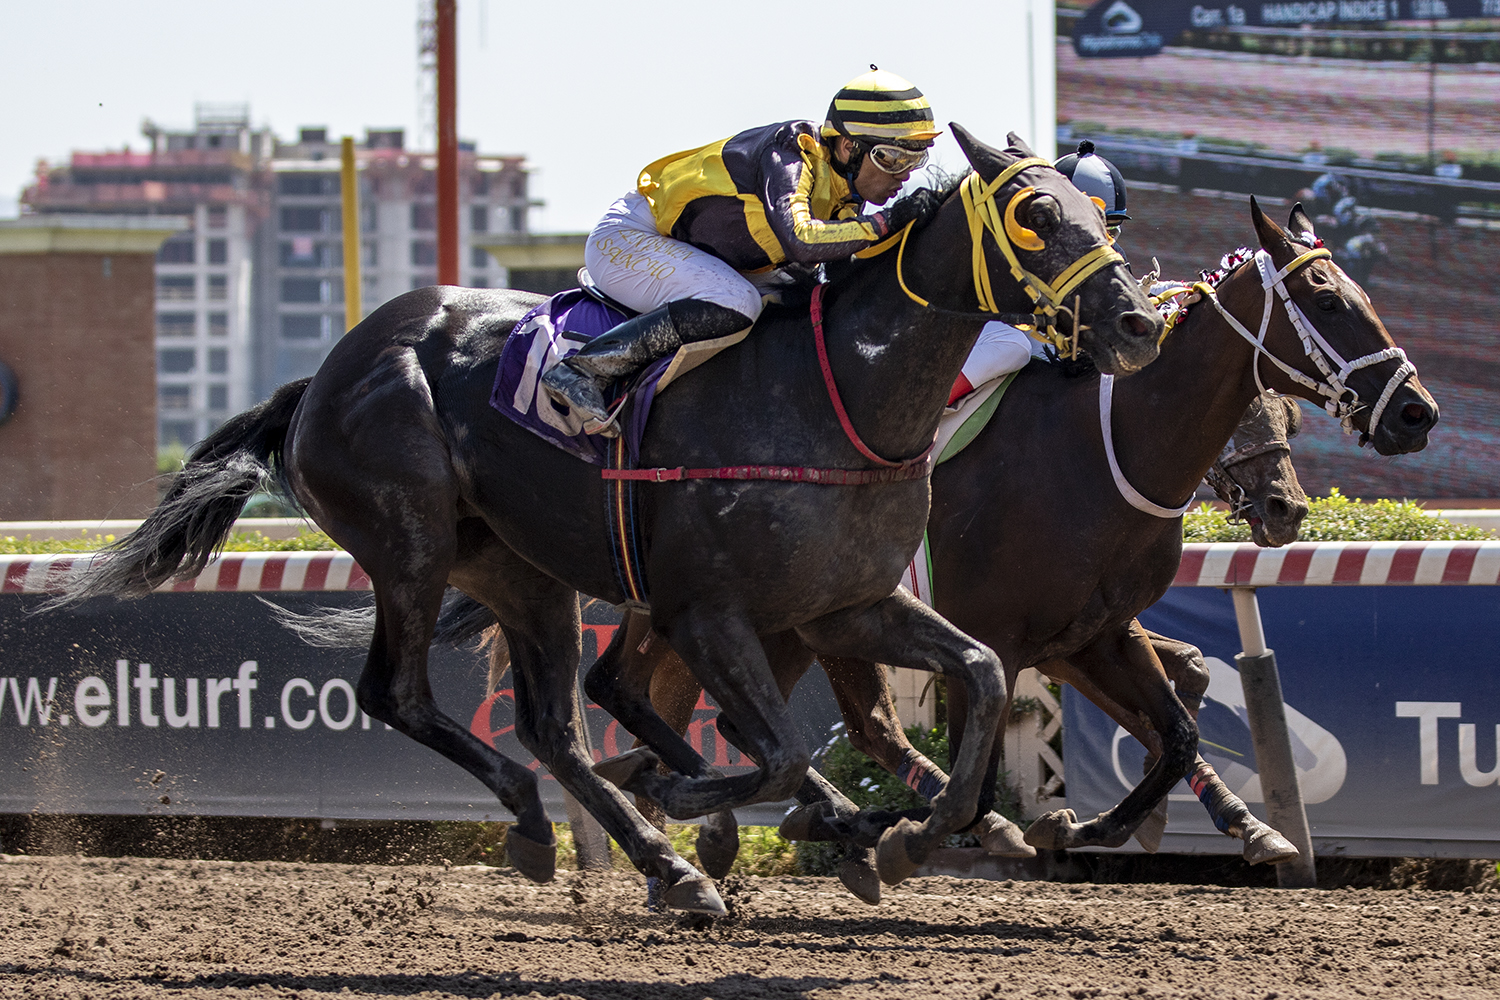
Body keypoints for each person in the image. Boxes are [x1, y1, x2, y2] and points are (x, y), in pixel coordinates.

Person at [541, 67, 944, 433]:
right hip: (633, 237)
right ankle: (584, 369)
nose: (904, 174)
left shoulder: (845, 190)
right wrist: (888, 221)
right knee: (737, 302)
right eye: (891, 157)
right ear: (848, 147)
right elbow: (802, 240)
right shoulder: (791, 152)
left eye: (916, 159)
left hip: (703, 253)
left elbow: (837, 264)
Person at [946, 139, 1132, 407]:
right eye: (1093, 228)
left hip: (1039, 340)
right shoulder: (1026, 247)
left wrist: (1179, 292)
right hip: (989, 327)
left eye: (1111, 230)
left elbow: (1133, 290)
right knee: (1013, 345)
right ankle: (924, 406)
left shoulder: (1113, 256)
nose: (1102, 242)